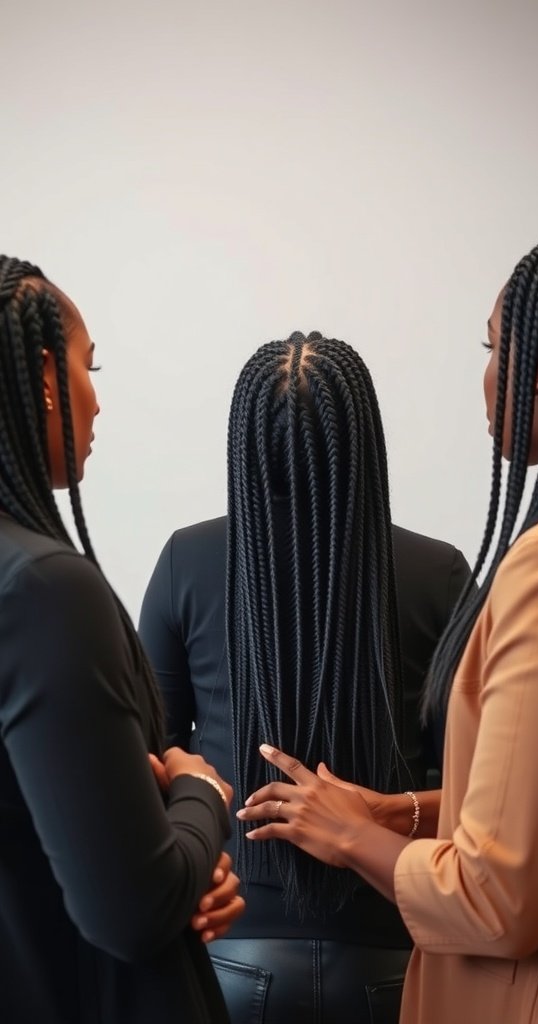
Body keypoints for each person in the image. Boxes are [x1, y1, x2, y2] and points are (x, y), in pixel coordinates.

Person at [238, 231, 538, 1024]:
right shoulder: (456, 567)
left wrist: (353, 838)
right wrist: (401, 812)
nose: (485, 380)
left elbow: (501, 900)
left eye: (494, 351)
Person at [139, 332, 471, 1023]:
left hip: (233, 954)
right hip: (397, 960)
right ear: (364, 442)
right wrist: (386, 810)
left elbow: (146, 760)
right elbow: (479, 788)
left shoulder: (185, 561)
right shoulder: (438, 573)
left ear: (244, 443)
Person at [0, 255, 245, 1024]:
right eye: (87, 365)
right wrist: (198, 792)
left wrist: (175, 857)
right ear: (44, 375)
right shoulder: (43, 589)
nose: (96, 403)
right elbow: (133, 915)